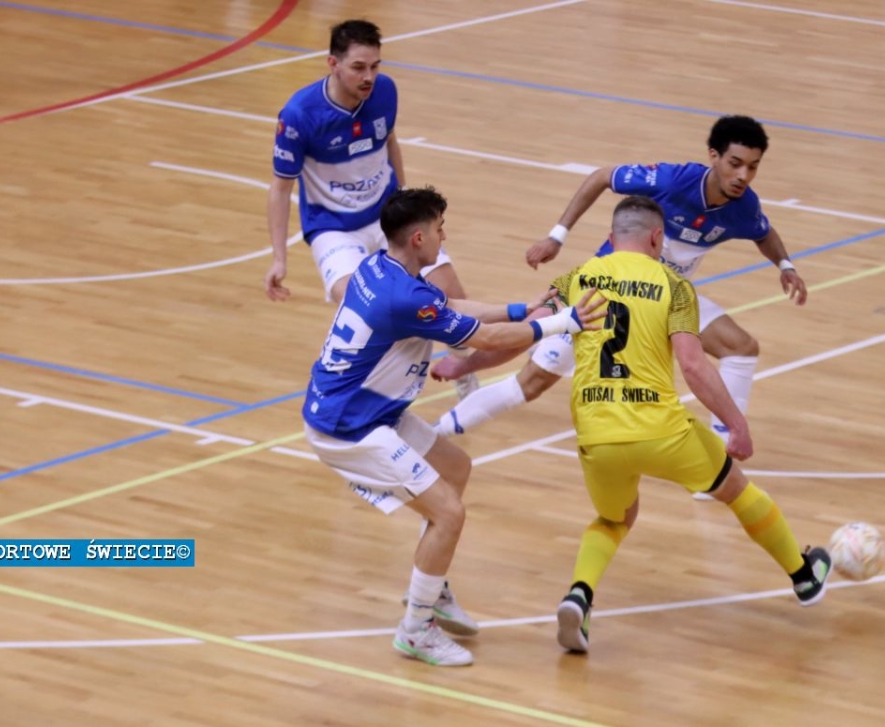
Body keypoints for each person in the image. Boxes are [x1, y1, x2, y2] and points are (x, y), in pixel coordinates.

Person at [430, 116, 808, 500]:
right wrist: (556, 236)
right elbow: (600, 177)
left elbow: (764, 232)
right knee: (531, 378)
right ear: (714, 156)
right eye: (735, 163)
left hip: (664, 296)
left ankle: (721, 459)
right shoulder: (672, 180)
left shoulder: (743, 205)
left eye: (753, 167)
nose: (743, 175)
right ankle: (434, 433)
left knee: (741, 347)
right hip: (607, 293)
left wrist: (785, 266)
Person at [301, 187, 603, 666]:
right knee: (449, 514)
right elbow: (484, 338)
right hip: (348, 427)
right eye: (440, 228)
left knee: (455, 468)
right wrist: (562, 324)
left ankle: (431, 587)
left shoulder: (381, 268)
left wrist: (522, 309)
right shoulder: (403, 297)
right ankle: (415, 630)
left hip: (367, 410)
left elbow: (452, 307)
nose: (445, 236)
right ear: (418, 237)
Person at [541, 196, 830, 654]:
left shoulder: (576, 278)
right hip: (663, 431)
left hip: (597, 432)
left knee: (614, 518)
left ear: (612, 238)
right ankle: (803, 574)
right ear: (657, 238)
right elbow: (694, 366)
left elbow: (528, 329)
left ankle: (580, 595)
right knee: (736, 490)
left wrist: (466, 361)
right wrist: (736, 424)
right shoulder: (673, 286)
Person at [266, 18, 480, 397]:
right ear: (333, 64)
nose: (369, 77)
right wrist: (279, 259)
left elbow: (390, 141)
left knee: (449, 292)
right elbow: (280, 189)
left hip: (388, 216)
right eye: (359, 67)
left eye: (375, 66)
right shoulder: (299, 115)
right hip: (333, 229)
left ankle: (463, 368)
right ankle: (367, 394)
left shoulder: (385, 91)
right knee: (366, 309)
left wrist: (407, 200)